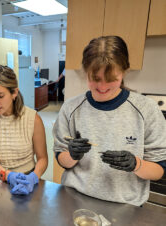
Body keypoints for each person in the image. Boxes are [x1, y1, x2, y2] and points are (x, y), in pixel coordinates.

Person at [53, 36, 166, 206]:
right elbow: (62, 159)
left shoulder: (146, 110)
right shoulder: (71, 108)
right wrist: (72, 155)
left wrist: (136, 164)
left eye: (112, 79)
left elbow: (158, 170)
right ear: (85, 71)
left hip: (125, 206)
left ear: (125, 72)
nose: (103, 87)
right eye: (95, 79)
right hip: (75, 199)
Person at [0, 65, 48, 195]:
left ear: (14, 93)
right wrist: (8, 175)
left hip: (27, 179)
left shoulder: (33, 119)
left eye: (0, 95)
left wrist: (33, 177)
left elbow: (43, 158)